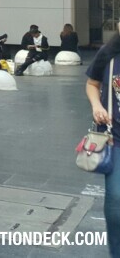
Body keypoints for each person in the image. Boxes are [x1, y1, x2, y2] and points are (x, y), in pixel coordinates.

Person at [84, 33, 120, 257]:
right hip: (116, 140)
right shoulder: (109, 54)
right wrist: (97, 106)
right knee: (116, 199)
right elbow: (91, 84)